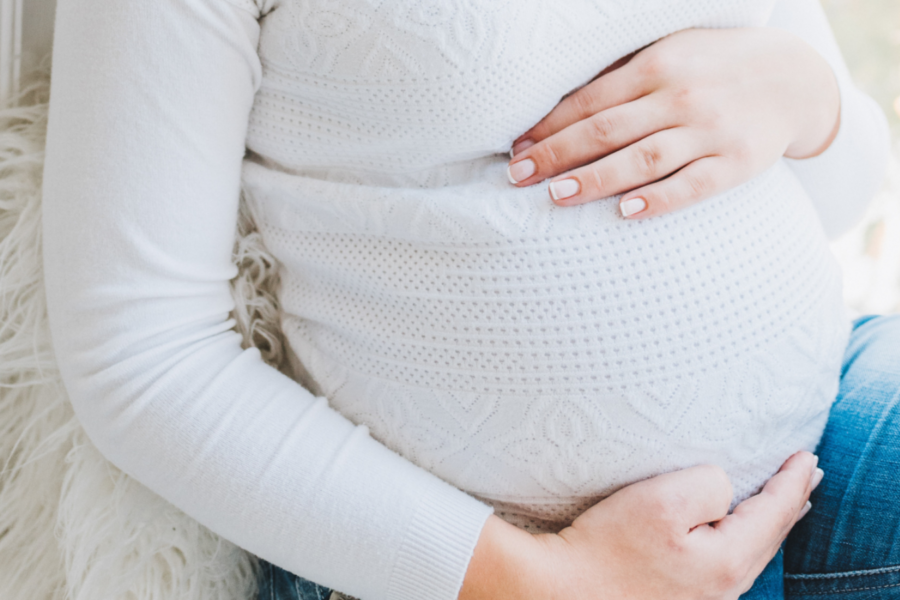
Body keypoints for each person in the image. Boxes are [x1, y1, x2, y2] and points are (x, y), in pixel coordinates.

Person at [40, 1, 892, 599]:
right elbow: (140, 355)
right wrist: (544, 584)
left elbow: (843, 193)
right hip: (454, 563)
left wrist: (805, 93)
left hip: (821, 435)